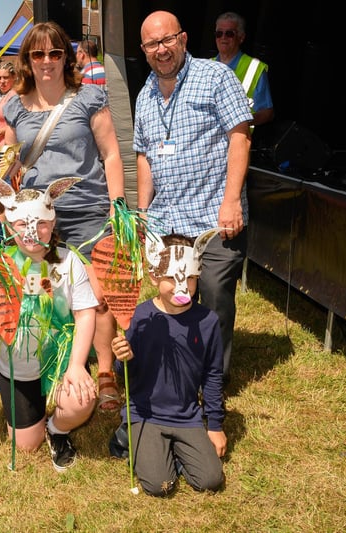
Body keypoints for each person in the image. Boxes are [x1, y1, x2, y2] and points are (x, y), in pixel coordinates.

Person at [4, 21, 125, 412]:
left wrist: (118, 205)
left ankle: (105, 372)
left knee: (98, 296)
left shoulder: (89, 97)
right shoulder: (14, 105)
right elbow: (9, 163)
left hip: (87, 210)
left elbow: (110, 154)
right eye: (37, 54)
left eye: (55, 53)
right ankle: (53, 367)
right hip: (37, 220)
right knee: (42, 293)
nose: (47, 62)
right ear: (27, 60)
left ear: (66, 58)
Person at [133, 10, 252, 379]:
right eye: (153, 44)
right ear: (144, 49)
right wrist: (142, 212)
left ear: (183, 39)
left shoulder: (216, 77)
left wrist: (231, 200)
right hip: (169, 221)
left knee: (214, 297)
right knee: (173, 300)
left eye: (167, 40)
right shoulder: (144, 95)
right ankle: (179, 374)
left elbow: (240, 135)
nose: (161, 49)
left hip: (214, 219)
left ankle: (213, 379)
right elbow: (144, 156)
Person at [0, 177, 98, 471]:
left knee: (80, 402)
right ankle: (34, 415)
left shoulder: (68, 262)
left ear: (52, 224)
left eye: (41, 223)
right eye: (22, 224)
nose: (32, 231)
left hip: (59, 359)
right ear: (9, 226)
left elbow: (85, 314)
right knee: (25, 446)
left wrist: (77, 365)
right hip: (19, 366)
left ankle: (58, 428)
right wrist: (7, 323)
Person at [108, 231, 226, 496]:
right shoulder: (138, 317)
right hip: (146, 413)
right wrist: (122, 358)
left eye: (190, 278)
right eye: (172, 277)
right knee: (160, 485)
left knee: (210, 479)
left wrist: (215, 425)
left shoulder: (207, 321)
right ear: (154, 276)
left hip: (186, 415)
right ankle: (132, 436)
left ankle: (166, 449)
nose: (181, 286)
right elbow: (125, 375)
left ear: (198, 276)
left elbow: (213, 374)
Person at [212, 11, 274, 127]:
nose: (223, 37)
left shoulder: (255, 68)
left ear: (241, 38)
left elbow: (267, 113)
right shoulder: (205, 66)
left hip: (238, 140)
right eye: (219, 33)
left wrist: (241, 123)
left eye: (229, 33)